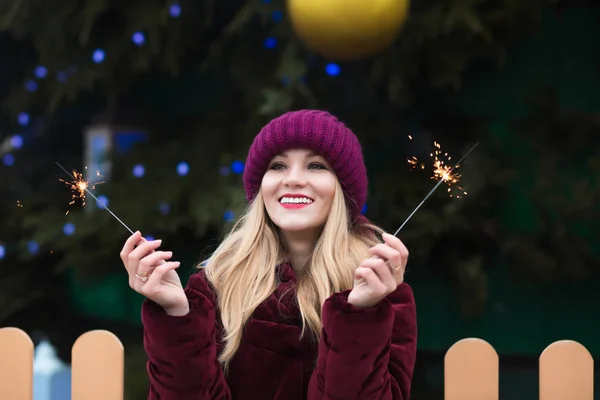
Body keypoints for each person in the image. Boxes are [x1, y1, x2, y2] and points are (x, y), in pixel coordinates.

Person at [120, 110, 417, 400]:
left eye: (316, 166)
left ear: (342, 188)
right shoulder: (216, 285)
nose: (293, 179)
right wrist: (176, 315)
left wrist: (359, 315)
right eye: (277, 166)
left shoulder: (382, 290)